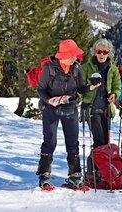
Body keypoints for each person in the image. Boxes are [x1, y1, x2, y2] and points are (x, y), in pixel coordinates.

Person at [36, 39, 101, 189]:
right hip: (50, 109)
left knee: (72, 143)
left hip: (70, 108)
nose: (75, 58)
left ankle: (75, 176)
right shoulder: (49, 68)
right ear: (64, 56)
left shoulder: (76, 68)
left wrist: (91, 87)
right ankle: (44, 175)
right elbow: (41, 89)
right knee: (50, 142)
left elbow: (80, 88)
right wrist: (48, 100)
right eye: (73, 55)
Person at [80, 39, 121, 148]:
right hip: (90, 108)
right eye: (99, 52)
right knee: (99, 139)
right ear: (94, 52)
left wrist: (114, 94)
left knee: (106, 142)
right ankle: (95, 164)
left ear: (109, 53)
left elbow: (117, 86)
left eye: (105, 52)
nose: (102, 54)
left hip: (106, 109)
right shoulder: (86, 68)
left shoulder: (113, 69)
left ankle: (100, 163)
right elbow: (79, 88)